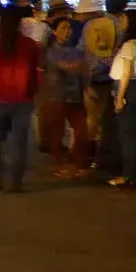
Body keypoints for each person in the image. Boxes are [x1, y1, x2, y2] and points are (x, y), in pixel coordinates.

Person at [0, 4, 44, 192]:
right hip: (23, 100)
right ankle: (15, 182)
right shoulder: (30, 45)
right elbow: (37, 74)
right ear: (19, 24)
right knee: (19, 143)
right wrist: (37, 96)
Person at [82, 0, 126, 174]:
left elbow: (82, 49)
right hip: (114, 76)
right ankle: (106, 157)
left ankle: (91, 156)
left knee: (92, 118)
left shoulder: (91, 25)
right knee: (110, 120)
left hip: (92, 77)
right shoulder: (122, 26)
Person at [44, 14, 91, 176]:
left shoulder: (75, 50)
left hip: (74, 96)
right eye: (63, 28)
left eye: (69, 27)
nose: (67, 31)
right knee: (57, 132)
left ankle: (76, 162)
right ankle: (61, 164)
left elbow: (84, 72)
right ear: (55, 32)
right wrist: (82, 65)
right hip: (57, 96)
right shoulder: (52, 51)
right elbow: (67, 66)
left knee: (81, 130)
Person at [108, 8, 136, 188]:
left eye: (123, 18)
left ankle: (128, 175)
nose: (121, 21)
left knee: (127, 135)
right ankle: (133, 173)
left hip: (127, 89)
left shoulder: (130, 44)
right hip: (132, 88)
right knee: (131, 134)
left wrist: (119, 98)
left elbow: (126, 73)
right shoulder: (135, 43)